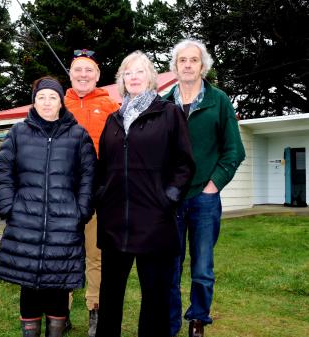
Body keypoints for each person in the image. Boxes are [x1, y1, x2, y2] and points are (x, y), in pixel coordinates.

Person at [95, 51, 195, 337]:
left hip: (154, 223)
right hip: (115, 224)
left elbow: (184, 163)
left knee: (155, 297)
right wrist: (101, 195)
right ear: (122, 81)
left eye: (140, 71)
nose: (134, 77)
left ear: (151, 78)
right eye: (128, 73)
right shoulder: (113, 120)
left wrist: (169, 197)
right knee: (111, 295)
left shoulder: (168, 113)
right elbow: (103, 167)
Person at [0, 76, 97, 337]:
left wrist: (81, 211)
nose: (47, 102)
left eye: (53, 97)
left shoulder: (78, 135)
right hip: (25, 222)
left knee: (58, 285)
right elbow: (3, 172)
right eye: (42, 97)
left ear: (61, 102)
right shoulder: (18, 133)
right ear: (34, 101)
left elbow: (89, 177)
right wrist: (9, 208)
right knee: (28, 285)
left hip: (65, 225)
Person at [164, 39, 245, 337]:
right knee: (169, 267)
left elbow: (234, 151)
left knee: (202, 267)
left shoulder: (219, 101)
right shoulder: (162, 104)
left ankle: (198, 320)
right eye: (182, 60)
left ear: (203, 66)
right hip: (170, 200)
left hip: (204, 199)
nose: (187, 65)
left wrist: (214, 185)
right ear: (175, 66)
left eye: (193, 60)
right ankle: (169, 324)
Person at [64, 48, 120, 337]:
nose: (83, 75)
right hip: (65, 193)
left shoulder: (110, 105)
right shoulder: (59, 105)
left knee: (95, 254)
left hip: (98, 193)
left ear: (97, 75)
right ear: (70, 74)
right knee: (64, 253)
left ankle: (95, 309)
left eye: (89, 70)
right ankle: (61, 311)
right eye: (78, 70)